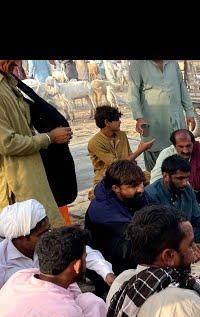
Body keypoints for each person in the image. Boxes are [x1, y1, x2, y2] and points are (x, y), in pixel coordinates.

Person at [0, 60, 70, 227]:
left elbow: (23, 126)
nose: (18, 63)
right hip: (17, 181)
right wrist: (49, 138)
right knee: (29, 233)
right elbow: (7, 143)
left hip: (31, 173)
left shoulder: (9, 83)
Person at [0, 199, 114, 291]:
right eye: (42, 234)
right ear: (21, 238)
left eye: (48, 229)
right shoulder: (3, 263)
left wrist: (106, 273)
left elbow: (81, 250)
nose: (48, 235)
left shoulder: (48, 240)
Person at [145, 155, 200, 252]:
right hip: (164, 238)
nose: (184, 183)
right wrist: (194, 245)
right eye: (180, 178)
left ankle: (187, 246)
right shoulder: (151, 195)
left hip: (183, 233)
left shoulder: (186, 188)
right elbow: (157, 232)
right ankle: (187, 248)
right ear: (166, 176)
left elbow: (197, 217)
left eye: (187, 178)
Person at [128, 60, 196, 171]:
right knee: (154, 160)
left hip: (176, 119)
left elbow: (181, 86)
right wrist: (139, 118)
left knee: (180, 157)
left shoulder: (172, 63)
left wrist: (189, 112)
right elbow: (133, 93)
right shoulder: (137, 64)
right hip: (150, 123)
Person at [85, 160, 150, 276]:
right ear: (116, 188)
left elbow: (156, 212)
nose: (140, 189)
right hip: (109, 263)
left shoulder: (136, 193)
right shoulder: (101, 208)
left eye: (141, 184)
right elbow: (136, 232)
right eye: (134, 186)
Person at [150, 129, 200, 213]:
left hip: (199, 193)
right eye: (181, 147)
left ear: (193, 144)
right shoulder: (166, 153)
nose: (185, 151)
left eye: (188, 146)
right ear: (174, 146)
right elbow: (156, 179)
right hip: (174, 194)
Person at [87, 106, 155, 199]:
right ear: (107, 122)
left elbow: (129, 156)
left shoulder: (122, 135)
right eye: (117, 119)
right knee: (98, 195)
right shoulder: (95, 142)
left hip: (127, 173)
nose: (120, 122)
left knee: (154, 177)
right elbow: (116, 166)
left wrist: (135, 157)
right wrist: (140, 150)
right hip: (107, 177)